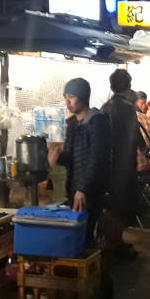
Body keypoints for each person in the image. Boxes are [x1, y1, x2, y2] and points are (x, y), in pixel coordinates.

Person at [49, 78, 112, 249]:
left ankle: (94, 272)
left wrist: (82, 188)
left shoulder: (97, 122)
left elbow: (97, 159)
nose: (67, 102)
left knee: (87, 234)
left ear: (83, 98)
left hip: (91, 190)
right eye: (65, 97)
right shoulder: (72, 124)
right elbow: (71, 158)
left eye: (71, 97)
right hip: (75, 188)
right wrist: (58, 156)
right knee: (77, 233)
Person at [100, 69, 141, 259]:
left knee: (111, 205)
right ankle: (116, 244)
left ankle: (111, 241)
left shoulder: (105, 107)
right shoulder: (127, 108)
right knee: (123, 206)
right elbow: (135, 137)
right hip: (124, 164)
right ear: (129, 86)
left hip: (107, 164)